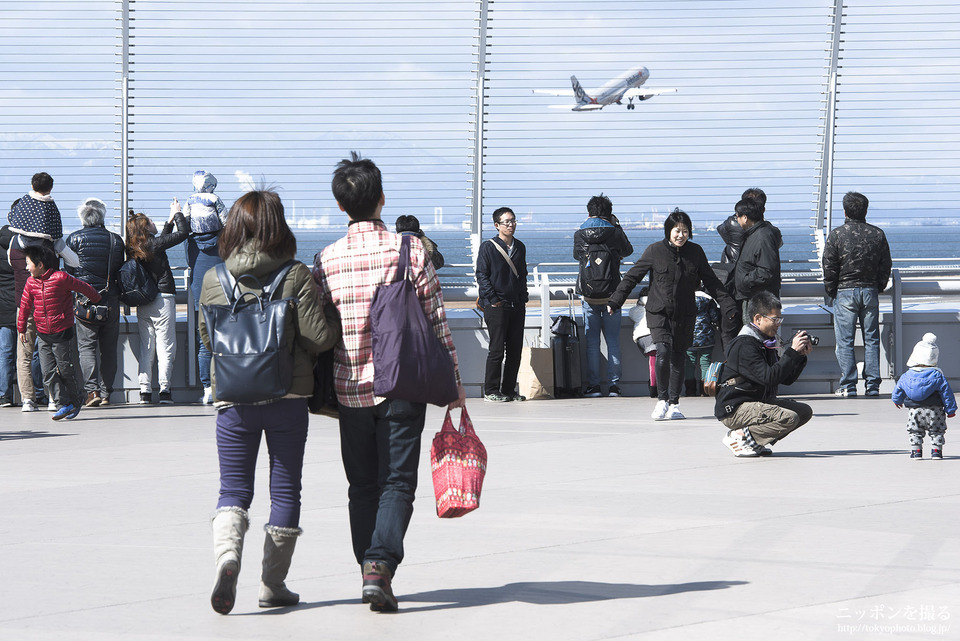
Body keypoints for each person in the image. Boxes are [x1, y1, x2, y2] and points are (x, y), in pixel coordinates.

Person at [314, 152, 465, 613]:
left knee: (361, 485)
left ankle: (369, 570)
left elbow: (319, 330)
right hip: (402, 383)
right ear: (381, 199)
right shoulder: (411, 250)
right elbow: (438, 322)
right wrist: (455, 383)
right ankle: (379, 566)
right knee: (398, 481)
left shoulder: (326, 260)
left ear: (341, 206)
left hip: (349, 388)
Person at [199, 189, 340, 615]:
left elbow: (209, 340)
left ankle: (227, 558)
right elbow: (319, 338)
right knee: (285, 487)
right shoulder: (296, 274)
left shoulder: (213, 278)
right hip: (288, 397)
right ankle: (272, 583)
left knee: (233, 489)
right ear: (278, 226)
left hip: (233, 401)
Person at [607, 208, 736, 420]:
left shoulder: (695, 253)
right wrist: (615, 300)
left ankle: (674, 403)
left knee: (678, 356)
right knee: (663, 351)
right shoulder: (654, 251)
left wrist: (728, 305)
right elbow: (632, 277)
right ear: (668, 231)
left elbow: (712, 282)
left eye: (685, 231)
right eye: (677, 230)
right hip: (659, 312)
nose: (681, 235)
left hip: (685, 314)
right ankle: (661, 400)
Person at [716, 292, 815, 458]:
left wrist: (800, 356)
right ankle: (739, 437)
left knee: (803, 411)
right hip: (735, 407)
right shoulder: (744, 345)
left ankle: (753, 441)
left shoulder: (764, 343)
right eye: (774, 319)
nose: (778, 324)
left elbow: (786, 379)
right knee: (788, 417)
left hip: (757, 402)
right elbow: (769, 378)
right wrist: (791, 352)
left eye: (780, 319)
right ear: (758, 319)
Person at [17, 244, 101, 421]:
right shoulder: (31, 282)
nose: (26, 267)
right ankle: (63, 404)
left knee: (65, 369)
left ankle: (75, 400)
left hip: (62, 332)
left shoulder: (60, 277)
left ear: (40, 264)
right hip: (42, 333)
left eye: (28, 263)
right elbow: (24, 306)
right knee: (48, 371)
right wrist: (22, 328)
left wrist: (97, 299)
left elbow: (82, 287)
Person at [822, 191, 892, 397]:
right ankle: (872, 385)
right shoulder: (877, 234)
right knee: (871, 339)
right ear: (865, 210)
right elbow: (885, 264)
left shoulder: (836, 235)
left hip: (844, 291)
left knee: (845, 340)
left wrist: (831, 290)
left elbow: (829, 267)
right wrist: (878, 285)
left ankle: (848, 385)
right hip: (870, 290)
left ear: (844, 211)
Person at [126, 200, 189, 404]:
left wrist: (170, 220)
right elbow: (183, 234)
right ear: (146, 228)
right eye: (151, 221)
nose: (154, 222)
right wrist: (178, 214)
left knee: (147, 346)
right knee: (166, 346)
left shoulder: (135, 247)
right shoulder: (153, 244)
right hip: (163, 299)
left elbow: (164, 239)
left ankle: (144, 392)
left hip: (143, 301)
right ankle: (165, 390)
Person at [65, 198, 125, 407]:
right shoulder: (115, 240)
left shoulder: (73, 239)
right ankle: (107, 392)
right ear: (102, 217)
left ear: (83, 218)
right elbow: (119, 269)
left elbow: (69, 273)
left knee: (86, 347)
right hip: (111, 300)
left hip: (85, 302)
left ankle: (92, 392)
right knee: (109, 348)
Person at [573, 193, 633, 397]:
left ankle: (594, 386)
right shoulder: (614, 232)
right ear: (609, 213)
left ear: (589, 212)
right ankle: (614, 386)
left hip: (589, 296)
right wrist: (617, 226)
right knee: (613, 341)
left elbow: (577, 256)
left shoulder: (579, 233)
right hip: (612, 296)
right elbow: (628, 250)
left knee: (592, 342)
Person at [476, 206, 528, 402]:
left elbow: (522, 274)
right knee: (497, 349)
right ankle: (491, 390)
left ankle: (508, 390)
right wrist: (493, 299)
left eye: (513, 221)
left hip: (517, 305)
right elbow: (482, 274)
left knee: (515, 350)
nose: (511, 225)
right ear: (497, 225)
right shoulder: (488, 247)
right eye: (507, 222)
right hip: (496, 306)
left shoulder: (520, 247)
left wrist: (523, 297)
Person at [185, 171, 229, 404]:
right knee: (227, 336)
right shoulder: (217, 201)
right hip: (222, 284)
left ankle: (206, 388)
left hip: (198, 285)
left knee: (204, 340)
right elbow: (229, 223)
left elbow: (180, 225)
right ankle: (226, 385)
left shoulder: (190, 203)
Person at [891, 333, 956, 459]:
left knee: (914, 431)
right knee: (937, 431)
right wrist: (950, 409)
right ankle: (936, 451)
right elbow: (947, 393)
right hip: (935, 410)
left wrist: (897, 400)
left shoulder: (907, 375)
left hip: (914, 410)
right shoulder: (937, 375)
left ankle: (916, 452)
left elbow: (898, 389)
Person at [716, 188, 766, 344]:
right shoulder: (765, 229)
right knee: (753, 328)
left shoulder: (731, 223)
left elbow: (721, 230)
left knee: (729, 326)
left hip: (728, 277)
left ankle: (731, 362)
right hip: (750, 282)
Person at [8, 171, 79, 268]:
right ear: (50, 189)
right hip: (46, 278)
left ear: (32, 186)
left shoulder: (24, 201)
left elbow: (13, 215)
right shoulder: (50, 206)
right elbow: (74, 262)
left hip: (21, 282)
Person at [731, 197, 783, 327]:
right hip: (754, 297)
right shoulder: (755, 234)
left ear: (745, 218)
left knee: (756, 336)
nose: (736, 220)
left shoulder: (762, 237)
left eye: (737, 216)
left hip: (758, 300)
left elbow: (766, 270)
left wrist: (745, 280)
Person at [685, 290, 720, 397]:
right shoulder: (708, 299)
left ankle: (690, 391)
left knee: (689, 364)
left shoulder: (685, 297)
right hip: (706, 336)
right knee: (705, 363)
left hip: (689, 336)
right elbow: (715, 317)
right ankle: (704, 391)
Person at [628, 287, 657, 398]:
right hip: (657, 335)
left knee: (652, 364)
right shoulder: (658, 305)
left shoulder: (637, 310)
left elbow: (631, 314)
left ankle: (653, 387)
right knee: (660, 363)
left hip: (643, 338)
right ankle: (657, 387)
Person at [0, 223, 16, 407]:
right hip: (26, 304)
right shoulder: (25, 244)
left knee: (5, 352)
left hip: (3, 307)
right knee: (33, 352)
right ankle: (36, 393)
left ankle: (4, 394)